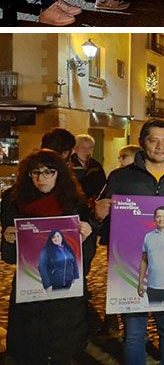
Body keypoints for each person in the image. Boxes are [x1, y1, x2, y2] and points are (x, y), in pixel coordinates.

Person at [0, 149, 96, 364]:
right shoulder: (15, 203)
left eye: (48, 172)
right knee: (30, 348)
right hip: (30, 286)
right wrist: (7, 239)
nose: (41, 178)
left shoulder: (73, 203)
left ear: (58, 174)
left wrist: (87, 235)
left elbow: (85, 257)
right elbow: (9, 258)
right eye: (35, 173)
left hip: (64, 290)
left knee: (63, 346)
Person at [69, 132, 106, 201]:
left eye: (90, 148)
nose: (87, 151)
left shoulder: (96, 166)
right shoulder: (68, 165)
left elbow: (103, 186)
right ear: (75, 148)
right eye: (83, 148)